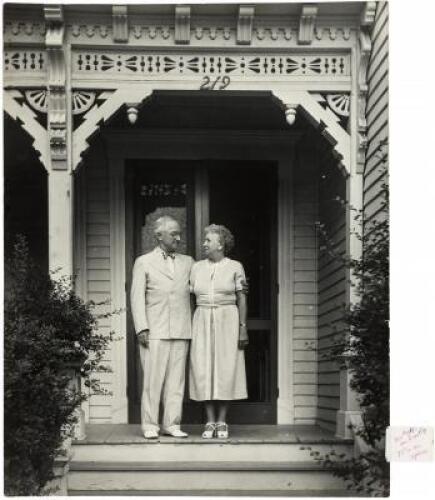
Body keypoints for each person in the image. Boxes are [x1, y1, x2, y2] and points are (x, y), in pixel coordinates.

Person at [130, 215, 194, 439]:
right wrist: (141, 328)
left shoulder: (188, 262)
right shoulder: (144, 262)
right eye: (173, 233)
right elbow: (136, 298)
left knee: (176, 381)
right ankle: (150, 424)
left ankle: (172, 424)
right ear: (159, 236)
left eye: (179, 232)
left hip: (182, 328)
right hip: (154, 330)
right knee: (152, 380)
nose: (178, 237)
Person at [189, 224, 249, 439]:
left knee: (225, 368)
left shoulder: (235, 266)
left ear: (221, 244)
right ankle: (209, 420)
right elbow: (188, 298)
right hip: (202, 318)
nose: (204, 244)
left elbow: (242, 298)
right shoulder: (196, 267)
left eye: (208, 240)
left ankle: (222, 420)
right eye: (204, 240)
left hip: (228, 319)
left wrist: (243, 328)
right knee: (204, 368)